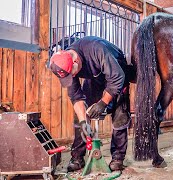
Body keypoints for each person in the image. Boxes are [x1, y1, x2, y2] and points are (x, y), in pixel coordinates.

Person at [49, 36, 133, 172]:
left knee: (120, 115)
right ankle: (77, 157)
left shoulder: (96, 49)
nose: (72, 77)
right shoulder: (67, 65)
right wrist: (84, 122)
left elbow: (117, 77)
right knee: (81, 116)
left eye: (72, 74)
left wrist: (102, 103)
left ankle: (117, 158)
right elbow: (76, 96)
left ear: (75, 61)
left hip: (117, 72)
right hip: (95, 77)